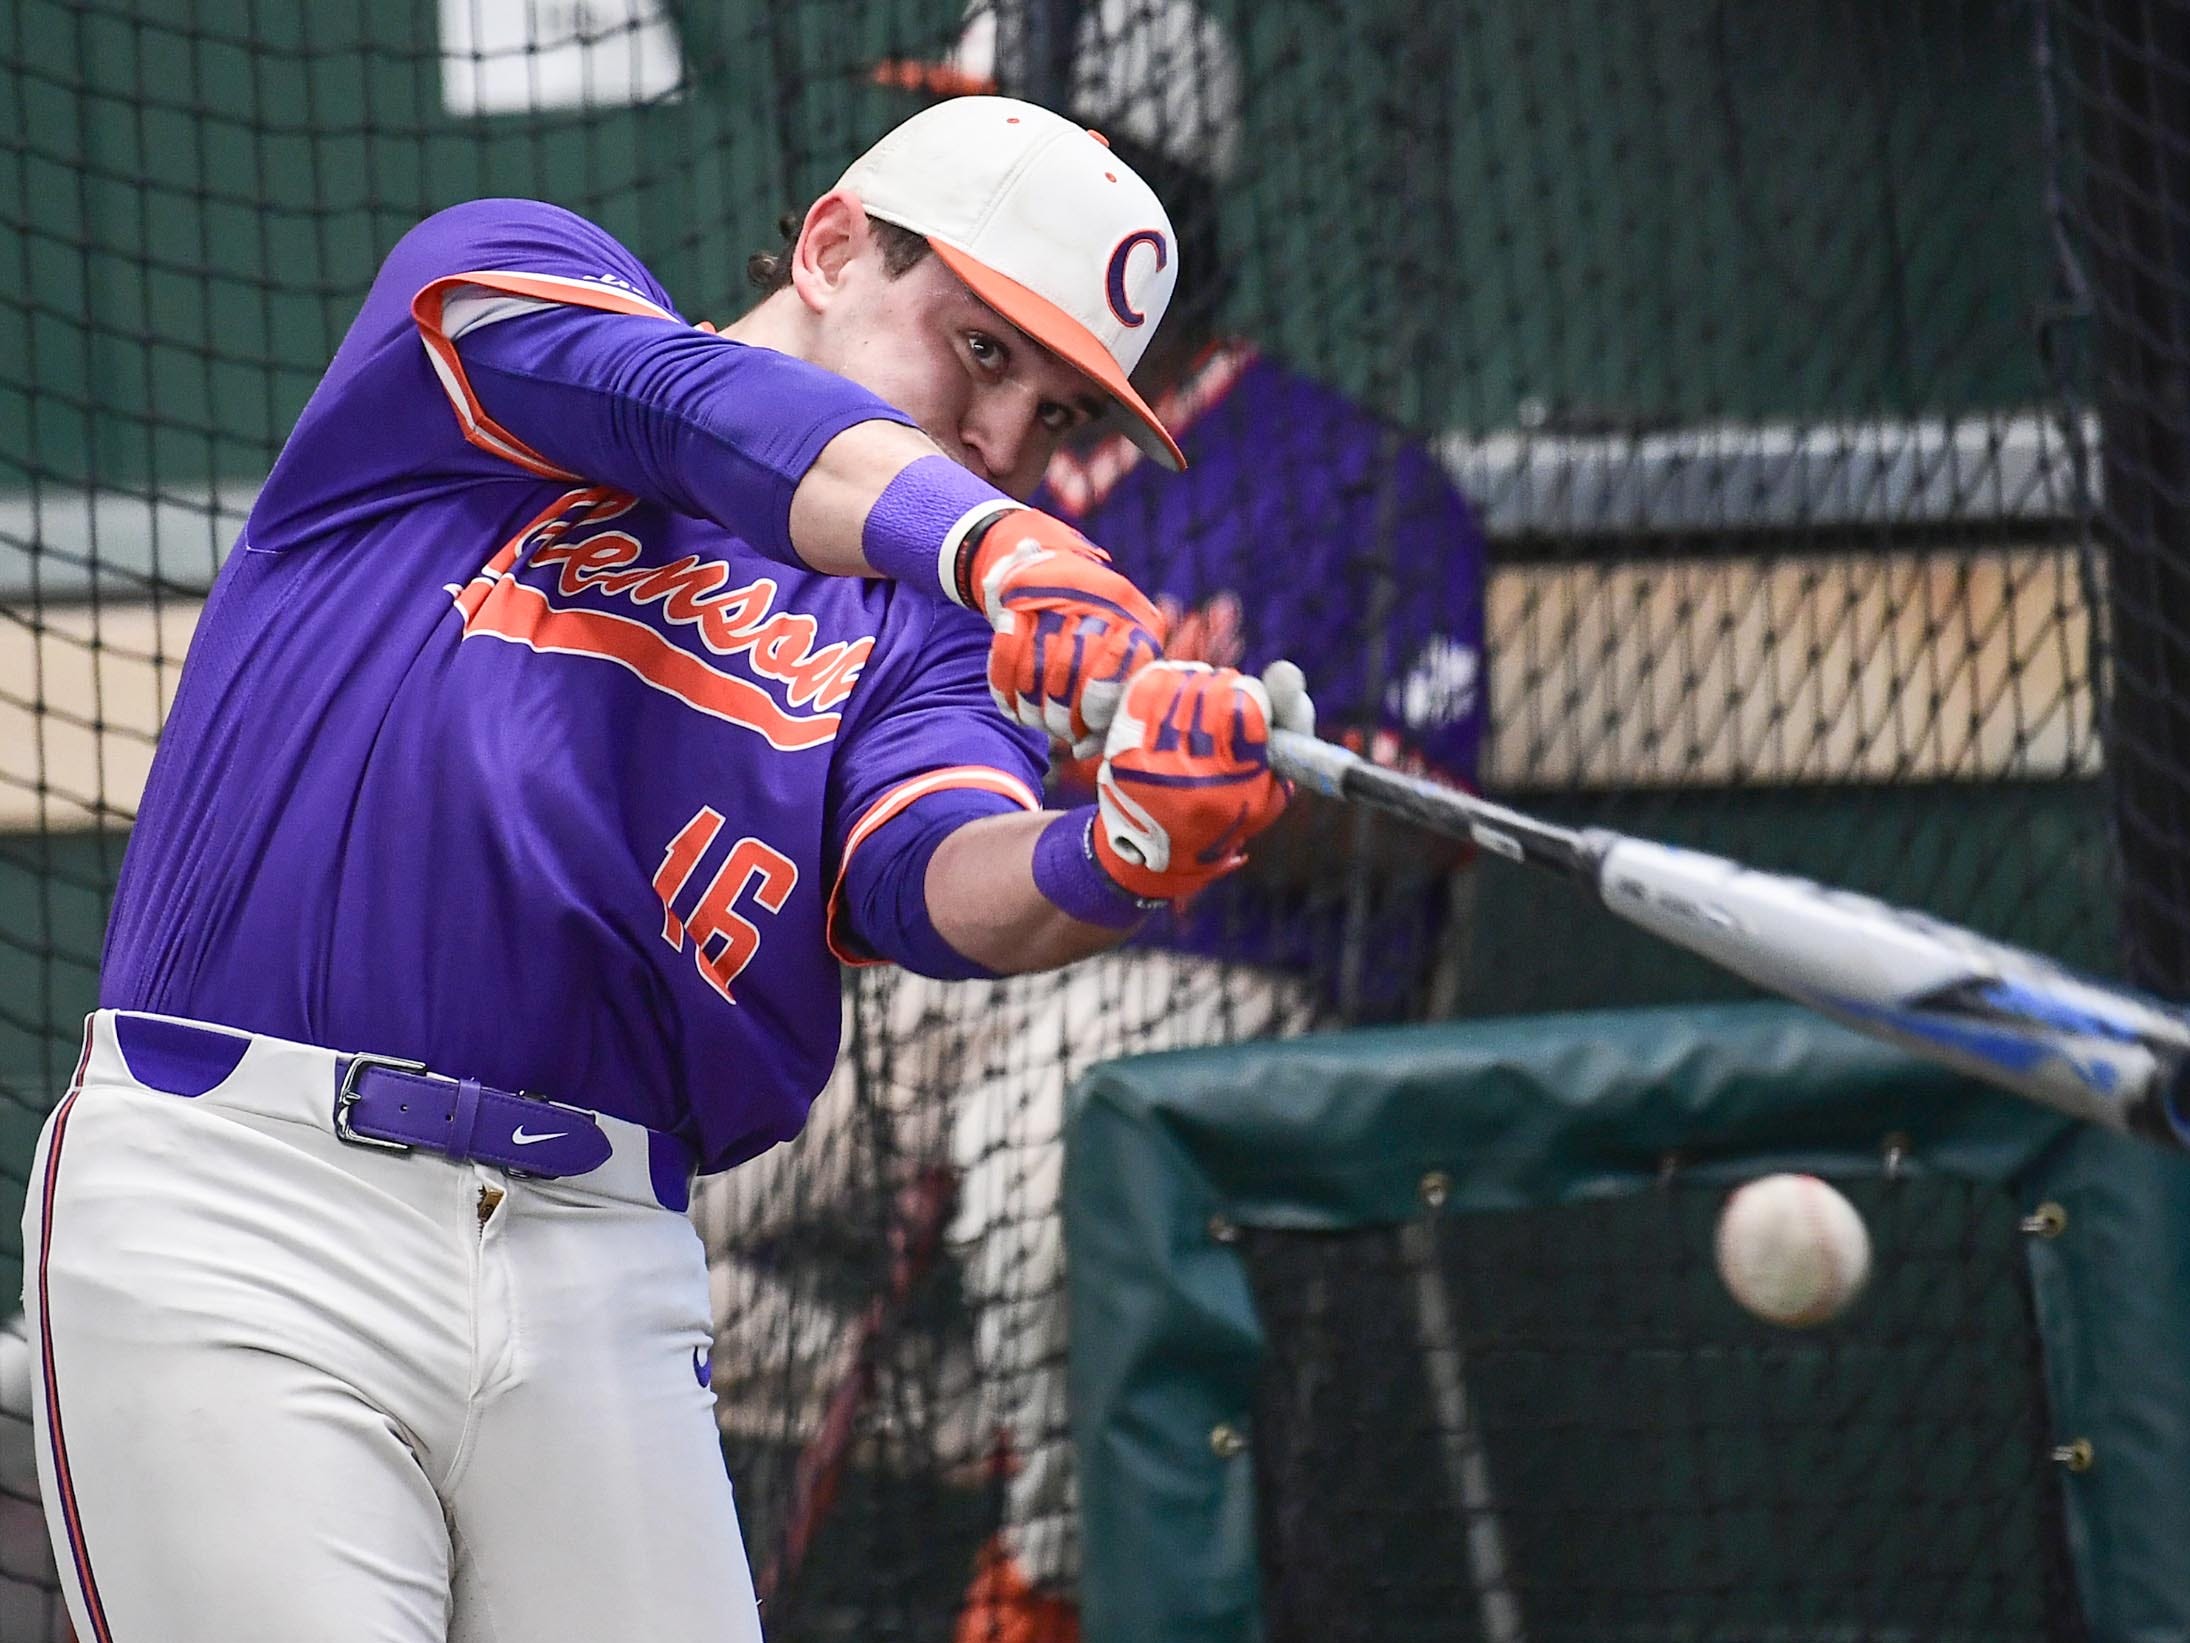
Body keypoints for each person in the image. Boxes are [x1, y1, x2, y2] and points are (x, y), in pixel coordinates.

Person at [22, 94, 1315, 1643]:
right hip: (260, 1199)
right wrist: (989, 540)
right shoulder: (513, 288)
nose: (1000, 438)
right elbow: (680, 407)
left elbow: (927, 874)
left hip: (604, 1267)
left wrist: (1122, 852)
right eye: (980, 351)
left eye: (1052, 416)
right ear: (832, 246)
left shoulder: (930, 634)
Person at [699, 8, 1490, 1641]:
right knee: (660, 1186)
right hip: (934, 961)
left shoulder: (1348, 474)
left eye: (1019, 141)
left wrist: (1220, 786)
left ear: (1151, 203)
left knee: (1045, 1131)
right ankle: (1006, 1419)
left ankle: (1051, 1577)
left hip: (1222, 985)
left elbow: (1426, 822)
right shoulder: (866, 454)